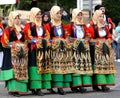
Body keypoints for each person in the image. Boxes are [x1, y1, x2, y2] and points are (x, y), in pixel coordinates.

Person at [24, 7, 52, 96]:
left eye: (40, 14)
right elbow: (28, 37)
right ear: (33, 15)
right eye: (37, 14)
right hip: (33, 50)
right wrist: (37, 40)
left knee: (42, 67)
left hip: (42, 50)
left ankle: (39, 87)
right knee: (34, 67)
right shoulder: (29, 25)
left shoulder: (43, 26)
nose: (39, 16)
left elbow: (47, 35)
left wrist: (44, 40)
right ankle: (34, 87)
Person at [46, 5, 74, 95]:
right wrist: (53, 41)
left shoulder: (62, 25)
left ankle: (60, 87)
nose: (59, 15)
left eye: (60, 13)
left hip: (62, 50)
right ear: (53, 14)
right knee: (54, 69)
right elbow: (47, 38)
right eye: (57, 13)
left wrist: (67, 41)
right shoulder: (49, 25)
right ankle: (53, 86)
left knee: (62, 68)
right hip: (53, 51)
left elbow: (66, 36)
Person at [0, 11, 29, 97]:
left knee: (21, 71)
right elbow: (4, 41)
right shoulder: (8, 30)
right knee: (13, 72)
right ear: (12, 19)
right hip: (11, 55)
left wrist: (23, 45)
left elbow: (26, 40)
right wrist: (14, 45)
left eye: (18, 18)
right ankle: (14, 90)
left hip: (21, 55)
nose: (17, 20)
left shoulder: (22, 30)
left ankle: (21, 89)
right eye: (15, 18)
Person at [88, 10, 116, 92]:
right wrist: (97, 42)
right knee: (97, 68)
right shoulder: (92, 27)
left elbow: (109, 37)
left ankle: (104, 84)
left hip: (105, 49)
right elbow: (90, 39)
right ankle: (96, 84)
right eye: (99, 16)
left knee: (105, 67)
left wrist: (108, 41)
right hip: (96, 50)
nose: (101, 18)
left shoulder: (105, 27)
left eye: (102, 16)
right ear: (96, 16)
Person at [67, 8, 92, 93]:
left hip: (83, 49)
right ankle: (76, 85)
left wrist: (87, 38)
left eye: (81, 15)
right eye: (78, 15)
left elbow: (88, 35)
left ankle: (83, 84)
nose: (80, 16)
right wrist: (74, 40)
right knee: (75, 66)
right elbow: (67, 37)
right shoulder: (71, 26)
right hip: (74, 49)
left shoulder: (83, 26)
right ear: (74, 15)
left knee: (83, 66)